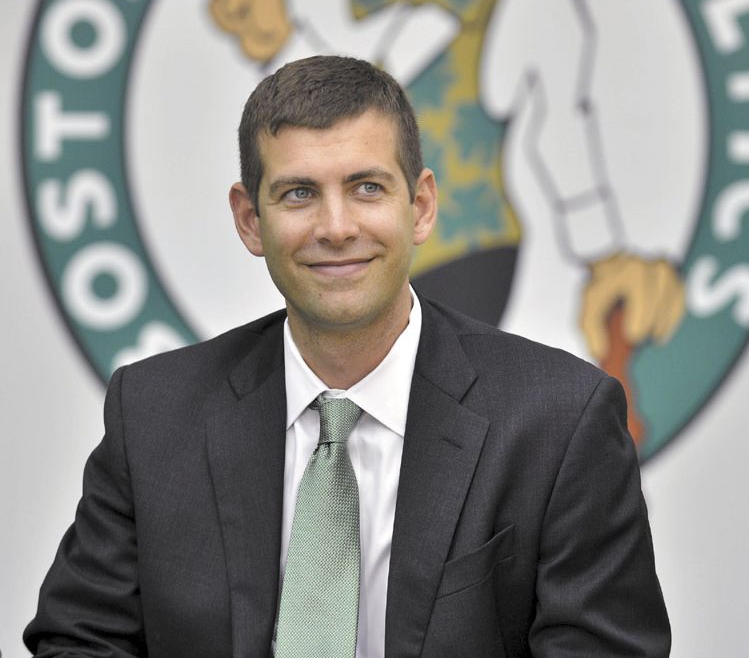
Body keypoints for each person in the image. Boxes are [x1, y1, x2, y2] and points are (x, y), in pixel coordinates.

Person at [25, 55, 670, 657]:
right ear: (250, 220)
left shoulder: (559, 420)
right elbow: (79, 642)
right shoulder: (154, 414)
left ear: (419, 207)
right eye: (299, 193)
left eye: (366, 187)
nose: (336, 227)